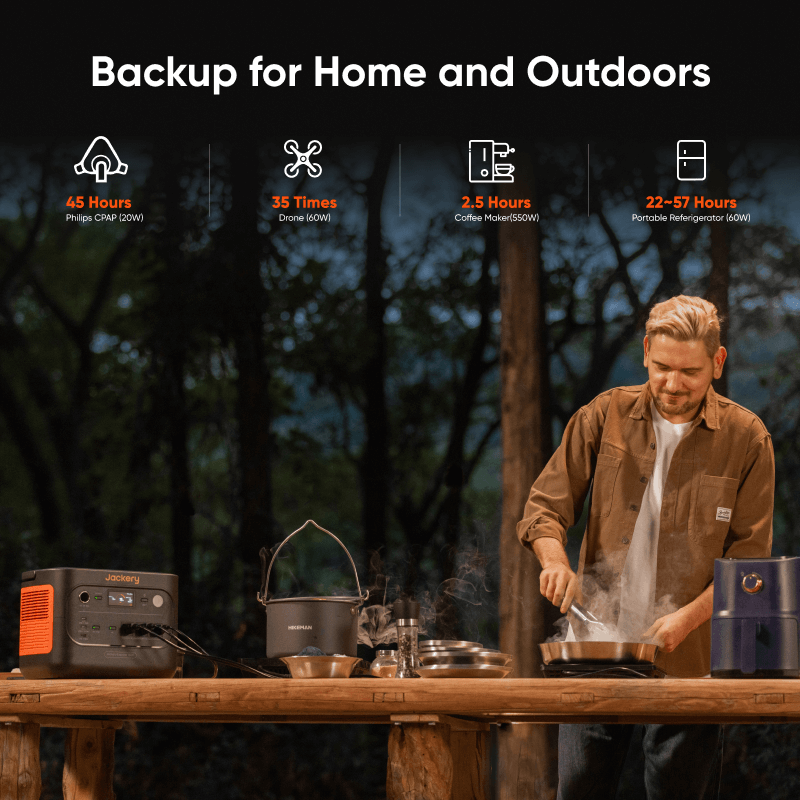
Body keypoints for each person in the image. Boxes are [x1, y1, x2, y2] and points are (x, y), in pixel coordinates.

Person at [517, 295, 774, 800]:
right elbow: (543, 508)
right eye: (662, 368)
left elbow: (751, 568)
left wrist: (684, 621)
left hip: (693, 660)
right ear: (645, 353)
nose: (673, 384)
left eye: (690, 372)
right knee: (581, 791)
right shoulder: (604, 414)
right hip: (594, 648)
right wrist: (554, 562)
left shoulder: (748, 439)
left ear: (717, 363)